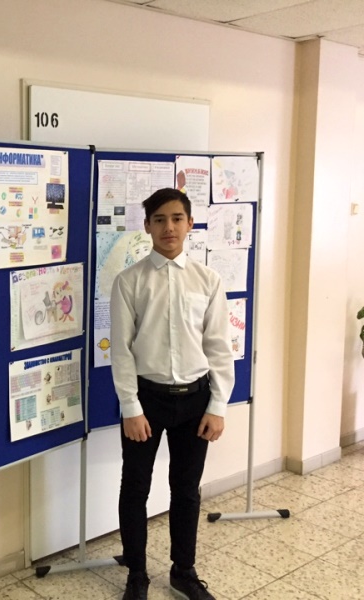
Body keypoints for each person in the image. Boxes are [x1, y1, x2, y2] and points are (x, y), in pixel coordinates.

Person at [110, 188, 234, 600]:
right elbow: (121, 352)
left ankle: (183, 570)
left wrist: (217, 406)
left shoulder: (208, 280)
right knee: (135, 488)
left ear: (190, 224)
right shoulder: (129, 281)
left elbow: (218, 347)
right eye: (160, 219)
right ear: (147, 226)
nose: (169, 227)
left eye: (177, 218)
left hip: (196, 400)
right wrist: (130, 407)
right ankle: (137, 573)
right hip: (146, 400)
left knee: (186, 489)